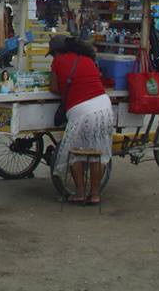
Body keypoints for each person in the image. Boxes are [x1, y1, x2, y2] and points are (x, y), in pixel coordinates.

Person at [49, 36, 112, 205]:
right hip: (104, 105)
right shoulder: (86, 59)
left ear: (56, 52)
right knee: (99, 151)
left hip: (81, 110)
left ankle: (80, 193)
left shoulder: (58, 62)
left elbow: (54, 88)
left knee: (74, 152)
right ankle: (95, 194)